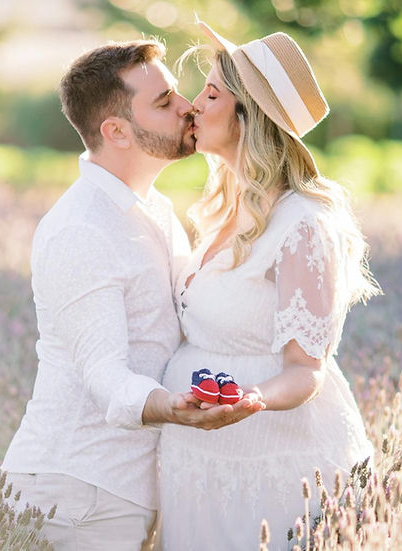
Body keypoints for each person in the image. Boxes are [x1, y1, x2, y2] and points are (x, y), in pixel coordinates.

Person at [0, 39, 266, 551]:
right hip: (75, 493)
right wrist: (174, 407)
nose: (187, 106)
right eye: (164, 103)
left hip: (123, 490)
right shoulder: (82, 229)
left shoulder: (158, 211)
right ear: (116, 131)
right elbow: (104, 375)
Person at [158, 22, 381, 550]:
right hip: (198, 463)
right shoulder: (224, 211)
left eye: (211, 93)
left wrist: (251, 400)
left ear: (249, 117)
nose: (193, 104)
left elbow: (307, 370)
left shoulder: (301, 222)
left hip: (269, 463)